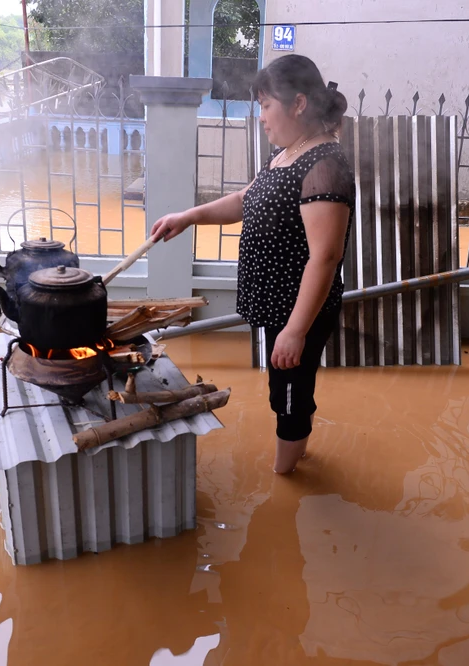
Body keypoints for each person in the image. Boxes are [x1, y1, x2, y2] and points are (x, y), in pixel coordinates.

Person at [151, 54, 354, 474]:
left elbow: (325, 256)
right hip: (280, 306)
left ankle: (286, 479)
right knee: (288, 387)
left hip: (298, 311)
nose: (260, 117)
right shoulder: (287, 154)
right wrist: (186, 217)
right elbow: (245, 200)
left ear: (299, 103)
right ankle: (299, 448)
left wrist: (296, 331)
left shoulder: (324, 166)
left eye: (265, 105)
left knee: (289, 396)